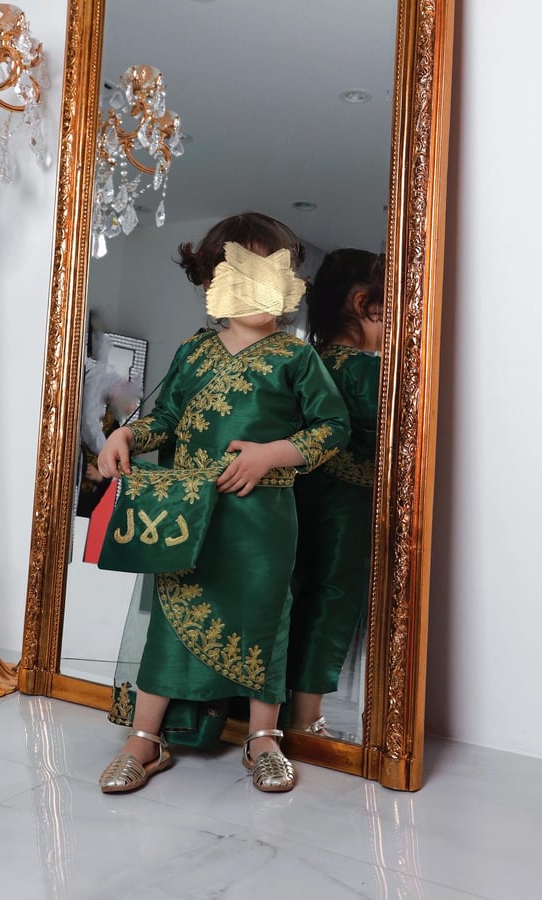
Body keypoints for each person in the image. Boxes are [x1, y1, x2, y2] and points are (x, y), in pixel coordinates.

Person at [96, 212, 351, 794]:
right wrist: (126, 435)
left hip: (263, 518)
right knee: (171, 617)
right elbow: (166, 418)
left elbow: (332, 427)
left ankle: (263, 738)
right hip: (189, 514)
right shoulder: (195, 351)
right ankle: (145, 738)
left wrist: (272, 454)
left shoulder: (296, 357)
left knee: (265, 616)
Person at [287, 248, 384, 735]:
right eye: (387, 310)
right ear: (363, 303)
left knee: (293, 596)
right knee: (332, 601)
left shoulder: (305, 363)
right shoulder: (370, 373)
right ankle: (307, 719)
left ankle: (275, 709)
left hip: (295, 500)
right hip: (346, 509)